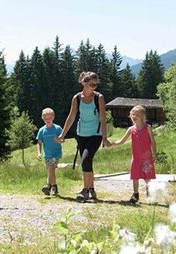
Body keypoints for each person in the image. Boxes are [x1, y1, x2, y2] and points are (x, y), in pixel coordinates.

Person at [57, 71, 109, 202]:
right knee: (87, 162)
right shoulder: (77, 98)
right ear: (83, 83)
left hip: (95, 135)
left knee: (85, 159)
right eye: (91, 84)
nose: (94, 87)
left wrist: (105, 136)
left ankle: (85, 190)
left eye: (96, 85)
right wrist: (63, 134)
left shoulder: (99, 98)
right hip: (81, 134)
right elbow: (72, 116)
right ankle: (91, 189)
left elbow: (103, 118)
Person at [109, 105, 157, 204]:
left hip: (146, 158)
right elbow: (122, 141)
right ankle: (135, 194)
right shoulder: (131, 129)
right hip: (136, 158)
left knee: (147, 176)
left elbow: (152, 141)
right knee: (135, 176)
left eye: (137, 115)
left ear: (143, 116)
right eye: (133, 114)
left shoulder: (147, 127)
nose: (134, 116)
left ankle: (149, 193)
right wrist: (112, 144)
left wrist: (154, 154)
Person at [36, 108, 63, 196]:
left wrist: (58, 140)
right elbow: (39, 143)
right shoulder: (42, 130)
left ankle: (48, 186)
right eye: (46, 118)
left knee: (51, 168)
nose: (48, 120)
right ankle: (53, 187)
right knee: (50, 171)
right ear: (43, 118)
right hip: (47, 155)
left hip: (56, 153)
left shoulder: (57, 128)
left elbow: (63, 140)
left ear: (53, 117)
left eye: (49, 118)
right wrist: (39, 153)